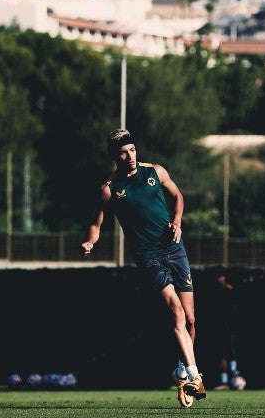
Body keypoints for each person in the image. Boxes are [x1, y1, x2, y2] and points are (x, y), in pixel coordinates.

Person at [81, 128, 206, 407]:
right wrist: (90, 241)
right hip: (148, 255)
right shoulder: (109, 189)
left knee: (191, 319)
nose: (130, 156)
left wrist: (178, 221)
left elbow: (178, 197)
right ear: (115, 156)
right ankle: (194, 377)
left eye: (133, 150)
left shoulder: (156, 172)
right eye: (124, 153)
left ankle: (181, 369)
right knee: (175, 311)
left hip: (175, 249)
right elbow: (96, 223)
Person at [211, 269, 243, 390]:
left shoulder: (231, 290)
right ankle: (224, 383)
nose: (220, 279)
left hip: (231, 327)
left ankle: (235, 374)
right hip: (219, 327)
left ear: (224, 278)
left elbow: (236, 306)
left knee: (232, 350)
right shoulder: (214, 292)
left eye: (221, 277)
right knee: (221, 354)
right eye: (218, 277)